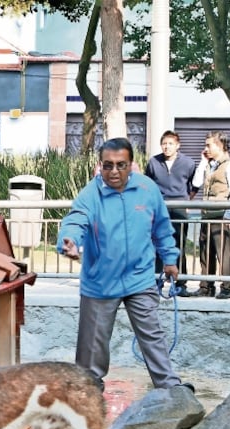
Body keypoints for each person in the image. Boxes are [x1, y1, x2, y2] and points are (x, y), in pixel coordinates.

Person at [57, 137, 188, 392]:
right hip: (101, 282)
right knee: (92, 347)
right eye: (108, 165)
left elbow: (161, 227)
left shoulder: (147, 189)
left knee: (152, 336)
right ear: (99, 165)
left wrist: (170, 259)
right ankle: (88, 390)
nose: (114, 171)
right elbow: (75, 220)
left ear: (131, 164)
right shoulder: (90, 194)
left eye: (121, 165)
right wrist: (69, 240)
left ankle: (170, 388)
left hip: (139, 277)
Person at [188, 130, 230, 299]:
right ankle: (206, 286)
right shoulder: (210, 165)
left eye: (209, 145)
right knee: (205, 252)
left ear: (220, 145)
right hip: (207, 214)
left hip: (221, 214)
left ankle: (226, 287)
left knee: (223, 253)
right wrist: (203, 162)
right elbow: (196, 183)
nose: (206, 148)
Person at [144, 130, 197, 296]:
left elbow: (194, 184)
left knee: (179, 244)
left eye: (170, 144)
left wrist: (187, 200)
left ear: (178, 145)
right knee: (158, 244)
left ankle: (180, 284)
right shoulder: (154, 162)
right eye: (164, 144)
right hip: (159, 208)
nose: (167, 147)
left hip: (179, 207)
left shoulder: (188, 163)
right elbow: (148, 184)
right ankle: (156, 282)